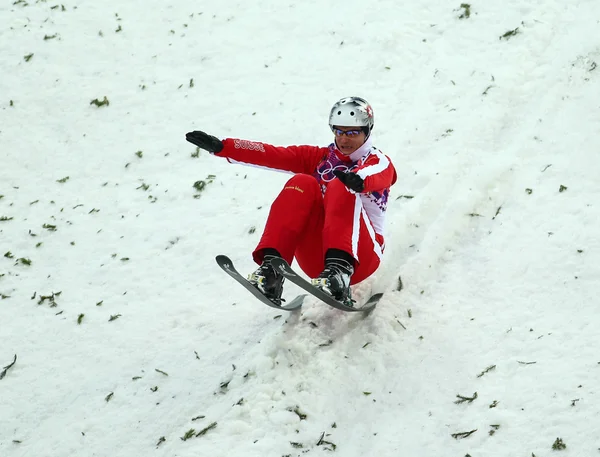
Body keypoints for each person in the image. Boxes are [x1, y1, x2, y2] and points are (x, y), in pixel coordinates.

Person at [186, 97, 397, 306]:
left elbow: (381, 174)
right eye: (338, 131)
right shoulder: (322, 158)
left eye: (352, 133)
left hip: (362, 257)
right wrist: (223, 147)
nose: (343, 139)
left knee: (340, 184)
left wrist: (359, 180)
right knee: (301, 182)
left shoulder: (377, 161)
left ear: (367, 130)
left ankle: (340, 273)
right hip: (317, 260)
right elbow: (275, 154)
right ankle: (272, 272)